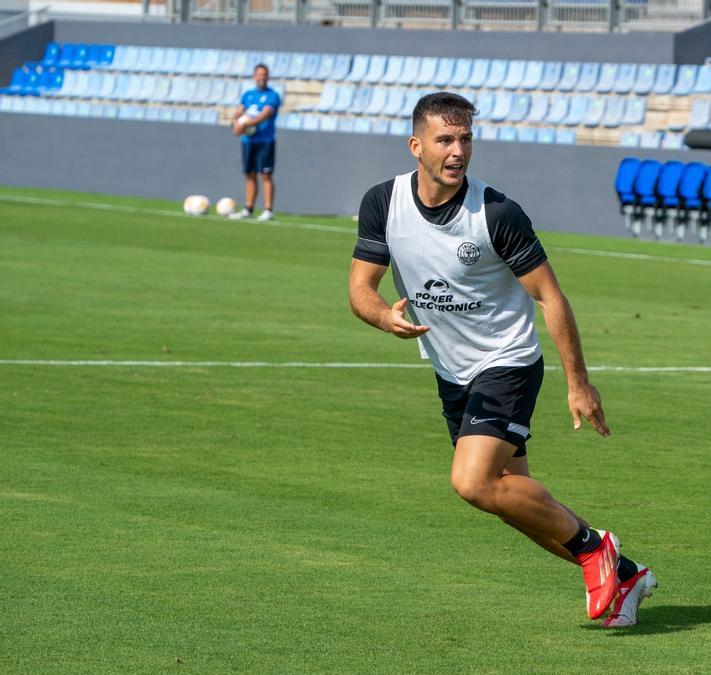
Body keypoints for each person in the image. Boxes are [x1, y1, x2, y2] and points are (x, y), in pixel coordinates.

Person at [347, 92, 655, 627]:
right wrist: (382, 316)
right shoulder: (384, 201)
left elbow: (551, 297)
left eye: (465, 139)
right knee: (511, 501)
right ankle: (624, 574)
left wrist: (578, 383)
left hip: (506, 361)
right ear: (416, 145)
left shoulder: (496, 212)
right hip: (451, 370)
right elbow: (360, 286)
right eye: (445, 139)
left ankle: (597, 548)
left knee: (473, 483)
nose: (457, 150)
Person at [229, 64, 281, 222]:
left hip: (265, 140)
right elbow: (237, 112)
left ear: (268, 77)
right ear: (254, 76)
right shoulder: (248, 95)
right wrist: (235, 123)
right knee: (249, 174)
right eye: (259, 74)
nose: (261, 77)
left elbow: (264, 115)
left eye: (264, 74)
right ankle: (248, 208)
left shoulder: (272, 95)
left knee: (266, 174)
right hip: (248, 140)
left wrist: (247, 123)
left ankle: (267, 210)